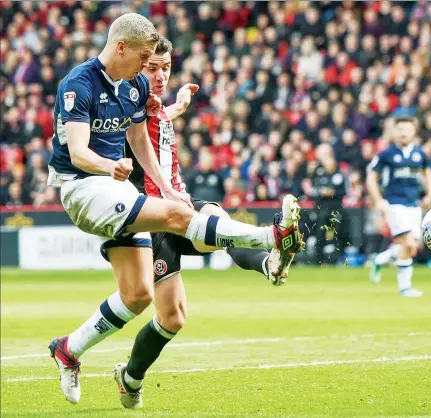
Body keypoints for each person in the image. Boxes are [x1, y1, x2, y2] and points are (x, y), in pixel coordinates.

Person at [46, 14, 304, 405]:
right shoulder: (78, 84)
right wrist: (110, 165)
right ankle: (272, 238)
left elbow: (140, 131)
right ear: (122, 48)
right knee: (183, 217)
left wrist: (168, 175)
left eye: (163, 66)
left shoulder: (135, 88)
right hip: (87, 188)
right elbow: (80, 152)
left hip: (126, 202)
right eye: (148, 62)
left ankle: (70, 349)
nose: (152, 72)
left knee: (139, 297)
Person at [112, 37, 294, 408]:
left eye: (166, 67)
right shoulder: (123, 105)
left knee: (219, 223)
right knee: (173, 317)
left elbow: (152, 122)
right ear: (137, 65)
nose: (161, 75)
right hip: (152, 218)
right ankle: (130, 377)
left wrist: (175, 107)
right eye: (153, 68)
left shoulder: (153, 105)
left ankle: (269, 262)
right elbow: (129, 135)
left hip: (180, 204)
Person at [366, 117, 431, 297]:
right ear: (394, 132)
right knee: (408, 243)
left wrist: (430, 193)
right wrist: (378, 200)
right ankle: (405, 288)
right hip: (395, 204)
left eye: (408, 128)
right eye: (400, 129)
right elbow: (371, 177)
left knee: (411, 248)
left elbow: (427, 173)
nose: (404, 132)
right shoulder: (386, 154)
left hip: (414, 205)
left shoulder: (419, 154)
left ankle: (379, 259)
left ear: (414, 132)